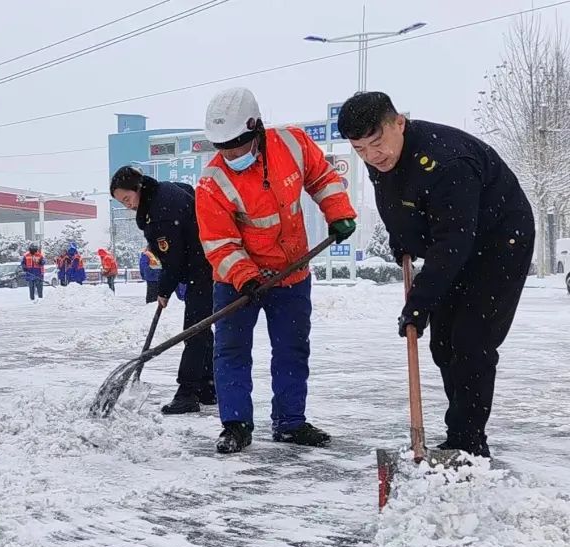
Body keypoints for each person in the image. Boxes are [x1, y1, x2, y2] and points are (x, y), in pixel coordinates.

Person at [338, 91, 535, 458]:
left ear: (399, 123)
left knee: (472, 339)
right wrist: (402, 240)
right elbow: (394, 201)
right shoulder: (380, 158)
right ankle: (459, 434)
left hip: (499, 241)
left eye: (377, 143)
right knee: (443, 343)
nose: (371, 156)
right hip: (455, 240)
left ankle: (468, 441)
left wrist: (419, 303)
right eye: (360, 149)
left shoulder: (446, 162)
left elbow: (453, 245)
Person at [196, 87, 357, 453]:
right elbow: (219, 242)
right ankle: (236, 424)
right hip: (238, 280)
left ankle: (290, 422)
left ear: (257, 128)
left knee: (292, 349)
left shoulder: (293, 144)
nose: (231, 153)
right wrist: (246, 277)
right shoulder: (212, 182)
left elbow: (323, 178)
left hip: (291, 273)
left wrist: (339, 212)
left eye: (237, 143)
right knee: (232, 351)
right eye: (222, 146)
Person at [111, 165, 217, 414]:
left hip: (201, 268)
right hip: (208, 262)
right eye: (122, 202)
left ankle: (188, 393)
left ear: (138, 188)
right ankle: (208, 388)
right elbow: (188, 194)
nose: (127, 205)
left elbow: (174, 262)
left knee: (194, 330)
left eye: (127, 198)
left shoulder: (161, 214)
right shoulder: (164, 191)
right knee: (201, 328)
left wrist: (164, 290)